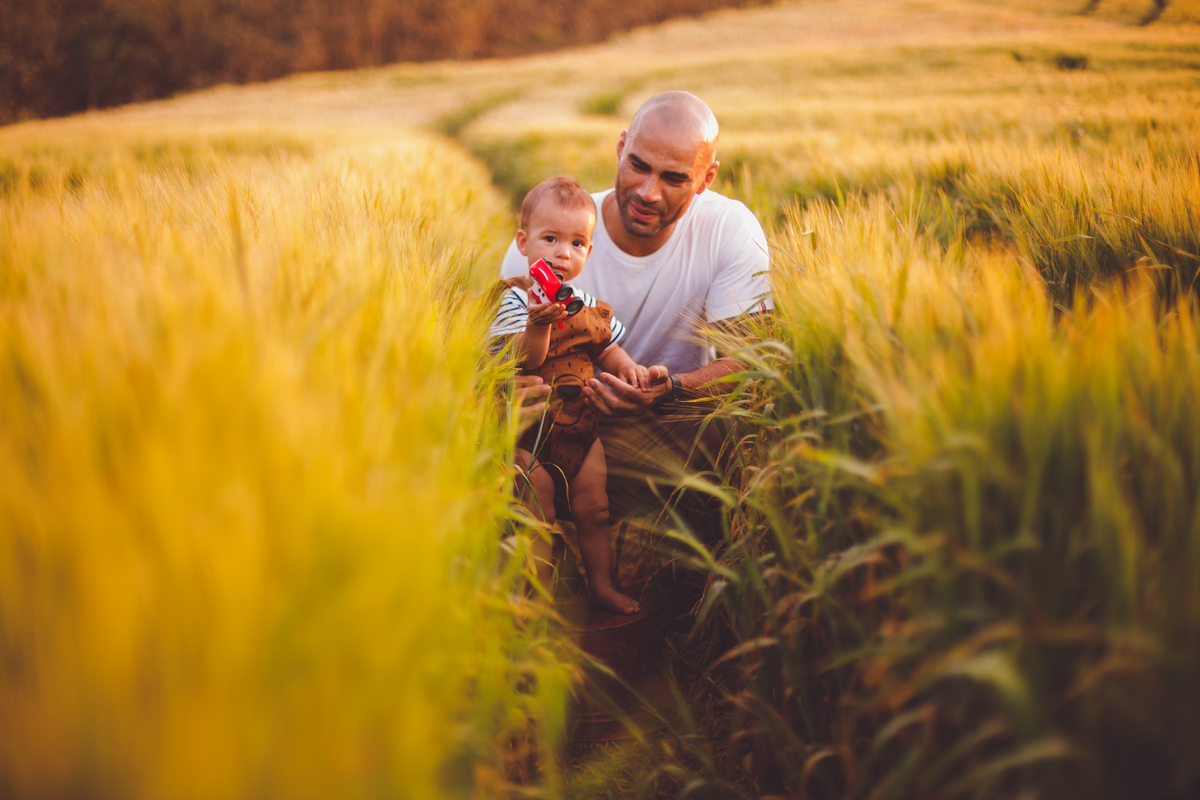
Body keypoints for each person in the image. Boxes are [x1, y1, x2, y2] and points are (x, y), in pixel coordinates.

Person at [500, 91, 772, 529]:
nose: (648, 192)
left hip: (674, 426)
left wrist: (674, 388)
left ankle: (690, 565)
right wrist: (505, 396)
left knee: (740, 437)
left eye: (674, 178)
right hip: (562, 430)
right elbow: (499, 363)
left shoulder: (729, 229)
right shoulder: (548, 242)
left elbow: (753, 360)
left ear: (706, 179)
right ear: (621, 147)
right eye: (638, 165)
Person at [490, 175, 660, 615]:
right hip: (532, 437)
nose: (564, 253)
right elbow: (523, 362)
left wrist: (632, 371)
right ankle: (544, 600)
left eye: (578, 243)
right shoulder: (515, 303)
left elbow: (608, 348)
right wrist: (538, 323)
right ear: (523, 243)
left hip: (583, 432)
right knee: (539, 518)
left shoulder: (587, 304)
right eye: (550, 239)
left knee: (595, 509)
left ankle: (601, 585)